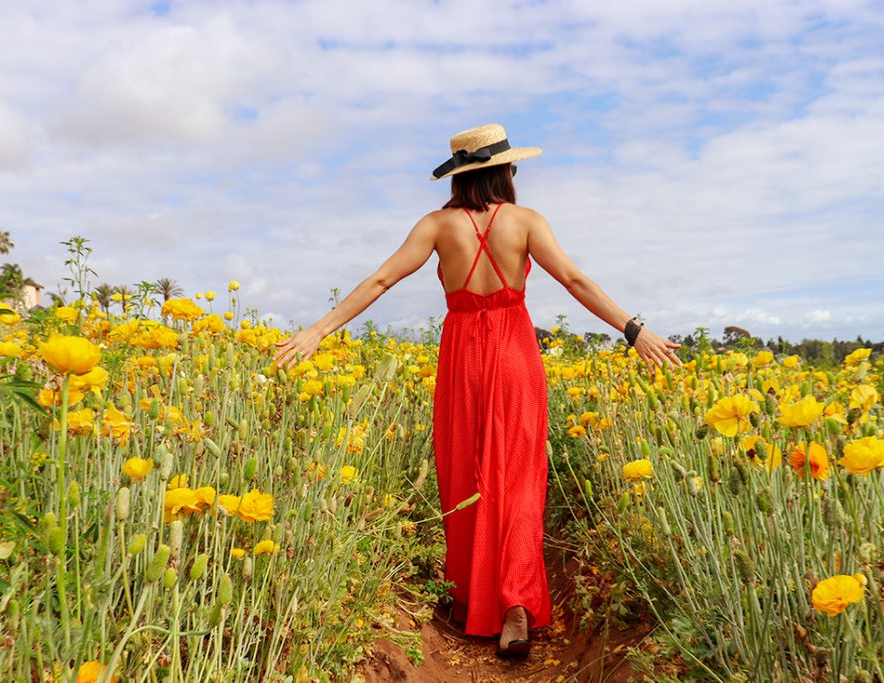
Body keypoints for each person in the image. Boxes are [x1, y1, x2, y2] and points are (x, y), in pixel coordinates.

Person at [270, 123, 682, 659]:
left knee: (465, 470)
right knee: (517, 475)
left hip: (462, 355)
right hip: (514, 354)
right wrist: (634, 330)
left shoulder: (437, 226)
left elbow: (379, 281)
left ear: (460, 177)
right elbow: (576, 282)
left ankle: (471, 602)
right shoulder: (527, 222)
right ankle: (514, 607)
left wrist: (317, 330)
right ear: (505, 171)